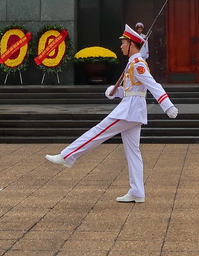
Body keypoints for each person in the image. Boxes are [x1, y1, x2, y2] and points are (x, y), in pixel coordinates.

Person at [45, 24, 178, 203]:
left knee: (98, 131)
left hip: (129, 111)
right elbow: (132, 90)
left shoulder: (138, 64)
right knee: (133, 152)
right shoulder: (132, 63)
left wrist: (167, 105)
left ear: (132, 44)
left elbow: (153, 85)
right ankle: (137, 192)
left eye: (123, 43)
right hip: (131, 108)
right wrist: (114, 92)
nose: (121, 46)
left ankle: (68, 156)